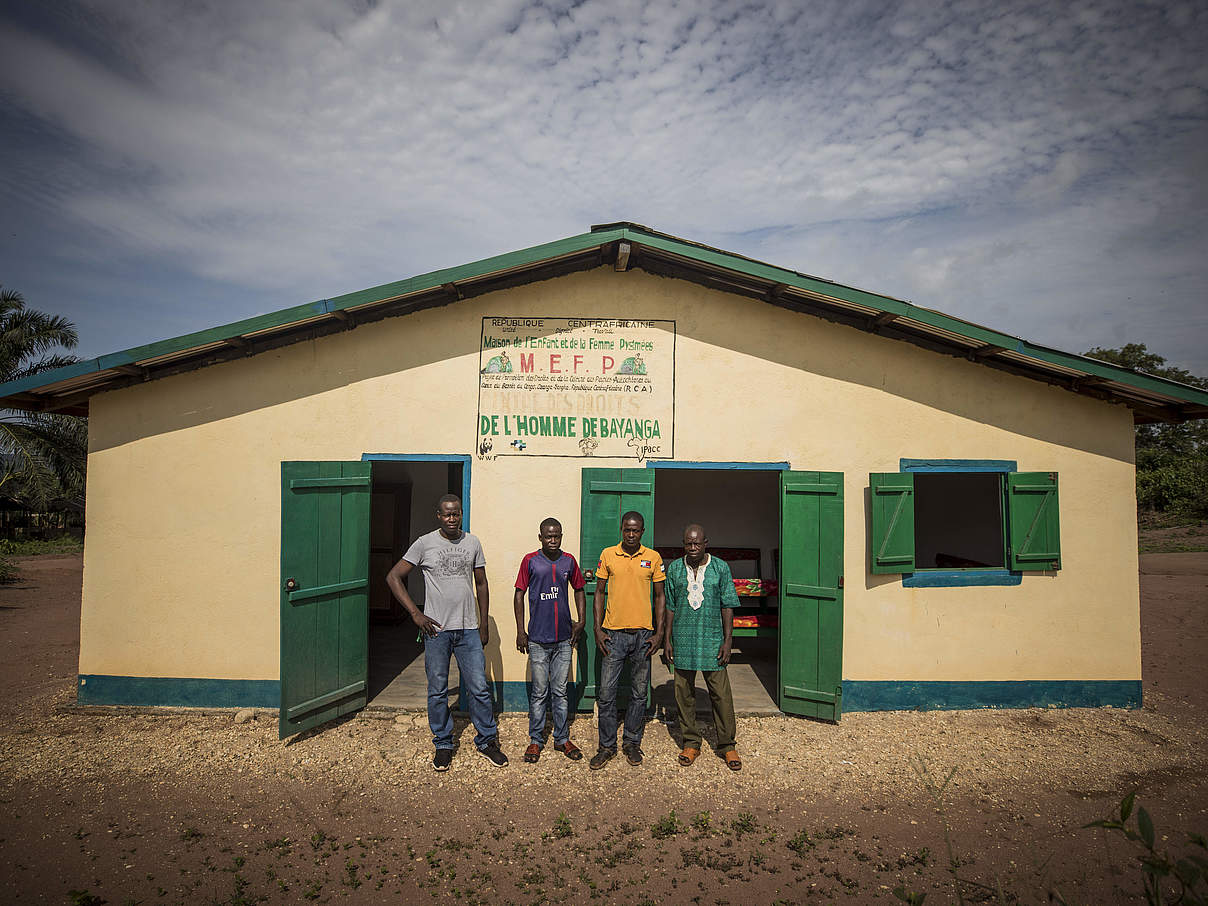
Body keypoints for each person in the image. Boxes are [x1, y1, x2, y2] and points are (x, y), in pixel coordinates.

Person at [386, 494, 508, 771]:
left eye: (456, 514)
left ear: (461, 514)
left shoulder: (472, 542)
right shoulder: (424, 543)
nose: (452, 519)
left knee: (479, 687)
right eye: (447, 514)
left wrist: (483, 623)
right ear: (438, 515)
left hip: (467, 629)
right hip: (436, 631)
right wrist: (415, 614)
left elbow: (481, 583)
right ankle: (443, 743)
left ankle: (487, 741)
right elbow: (393, 577)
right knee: (438, 690)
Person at [590, 511, 665, 770]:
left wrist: (659, 633)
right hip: (613, 635)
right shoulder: (608, 554)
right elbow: (599, 592)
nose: (631, 535)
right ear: (621, 529)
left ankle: (632, 742)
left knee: (638, 693)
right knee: (607, 694)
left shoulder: (653, 558)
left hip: (644, 636)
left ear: (642, 531)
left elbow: (660, 597)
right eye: (627, 530)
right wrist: (598, 630)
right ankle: (606, 746)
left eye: (636, 530)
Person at [663, 523, 742, 771]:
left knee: (720, 694)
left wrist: (728, 640)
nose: (693, 548)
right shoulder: (676, 568)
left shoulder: (720, 568)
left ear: (706, 543)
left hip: (712, 640)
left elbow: (728, 604)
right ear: (684, 544)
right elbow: (670, 606)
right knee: (683, 694)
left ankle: (727, 745)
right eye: (689, 543)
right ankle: (691, 742)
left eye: (697, 543)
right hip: (683, 639)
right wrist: (667, 639)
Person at [513, 517, 588, 763]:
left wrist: (582, 620)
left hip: (564, 640)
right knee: (539, 692)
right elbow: (519, 594)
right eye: (548, 536)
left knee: (560, 692)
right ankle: (535, 740)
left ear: (561, 537)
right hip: (537, 639)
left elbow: (579, 588)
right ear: (540, 538)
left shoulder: (569, 561)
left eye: (556, 536)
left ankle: (562, 738)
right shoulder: (530, 561)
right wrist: (520, 631)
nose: (552, 540)